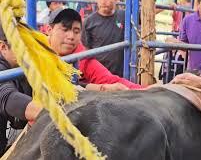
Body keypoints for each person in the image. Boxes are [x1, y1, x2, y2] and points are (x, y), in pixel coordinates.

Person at [48, 8, 142, 90]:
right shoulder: (36, 50)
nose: (71, 36)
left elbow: (110, 80)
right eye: (65, 30)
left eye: (76, 31)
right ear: (49, 30)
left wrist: (145, 90)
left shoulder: (83, 58)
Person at [0, 23, 42, 156]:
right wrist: (47, 112)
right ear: (3, 47)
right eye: (21, 45)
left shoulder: (23, 65)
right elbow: (6, 95)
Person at [82, 0, 125, 77]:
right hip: (99, 74)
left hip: (121, 73)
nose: (103, 1)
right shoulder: (89, 21)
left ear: (116, 0)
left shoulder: (124, 16)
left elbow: (144, 15)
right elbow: (85, 49)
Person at [177, 0, 201, 73]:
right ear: (198, 4)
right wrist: (174, 43)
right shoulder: (188, 20)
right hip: (194, 69)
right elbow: (183, 46)